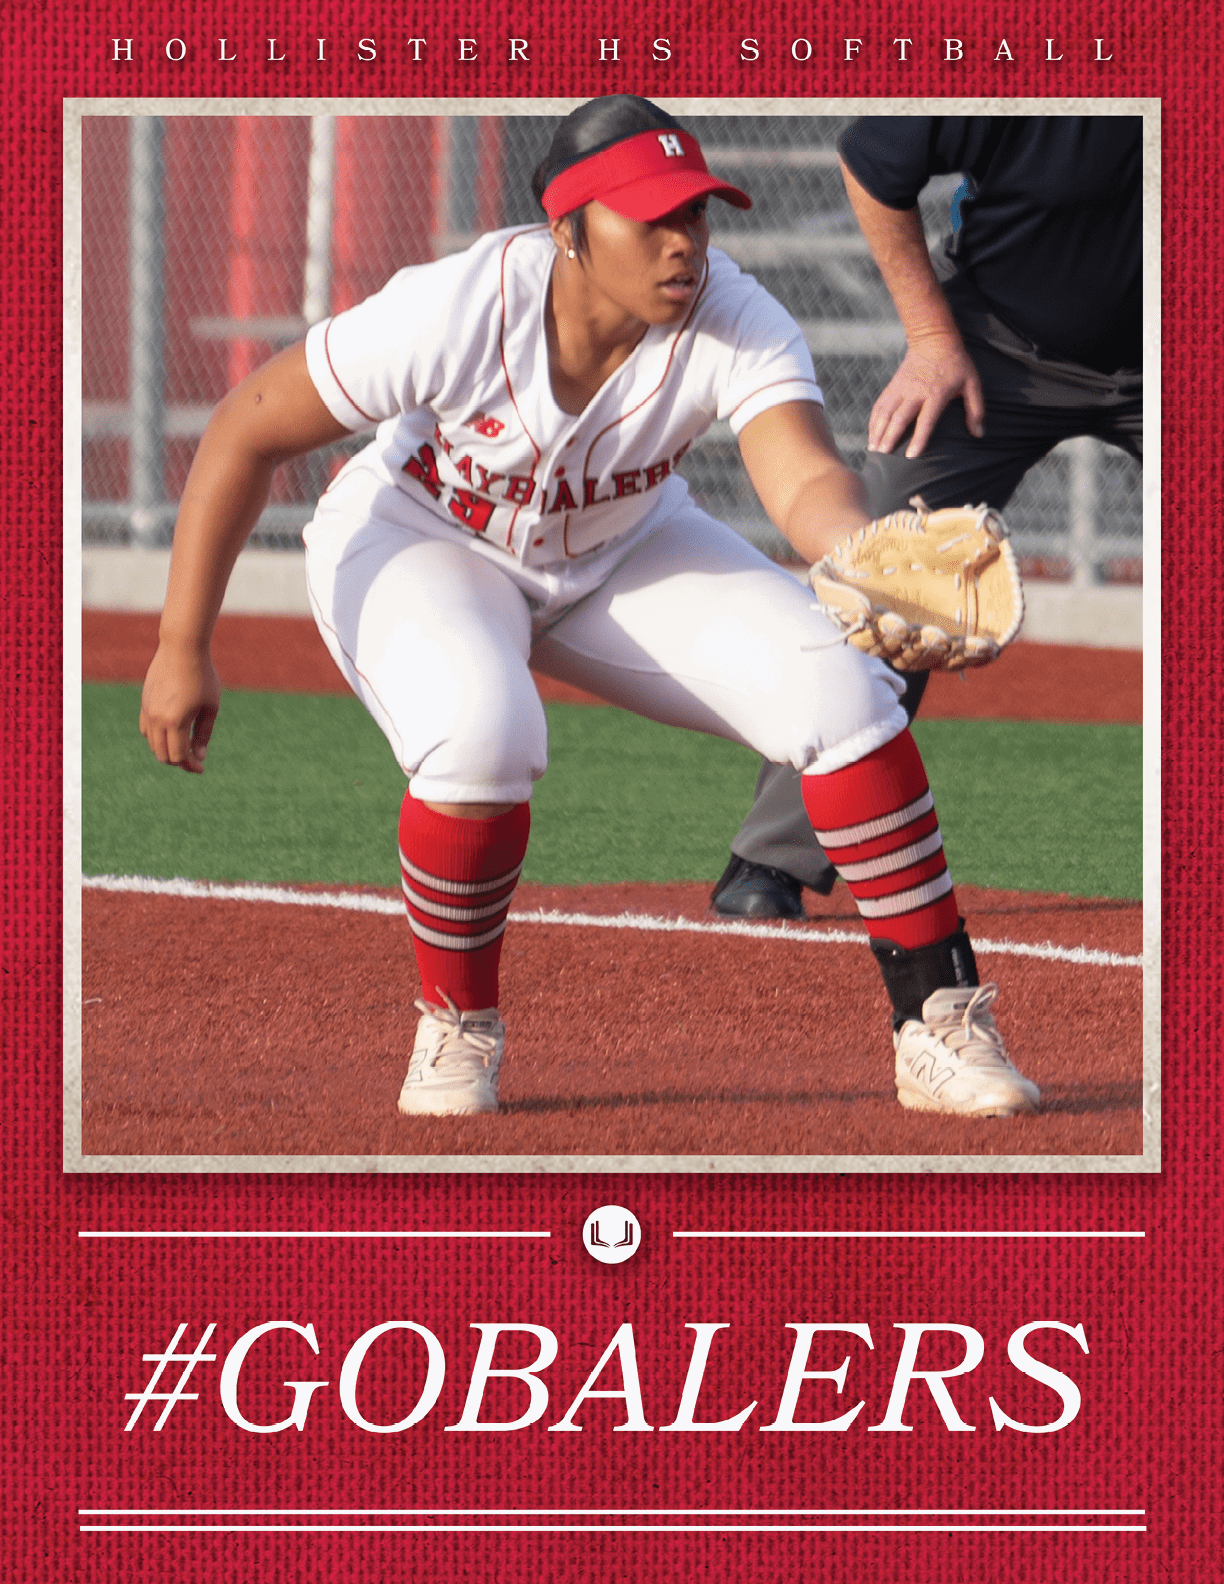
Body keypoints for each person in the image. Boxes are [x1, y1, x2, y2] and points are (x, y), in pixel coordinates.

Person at [138, 96, 1040, 1121]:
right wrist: (181, 644)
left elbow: (800, 482)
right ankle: (456, 1025)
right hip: (420, 541)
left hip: (621, 548)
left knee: (847, 687)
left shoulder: (735, 316)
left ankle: (937, 1025)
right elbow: (241, 431)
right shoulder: (457, 306)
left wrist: (867, 553)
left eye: (695, 215)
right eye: (649, 218)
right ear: (566, 230)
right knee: (484, 735)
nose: (682, 243)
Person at [711, 114, 1142, 919]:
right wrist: (933, 336)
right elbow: (871, 165)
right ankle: (770, 859)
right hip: (997, 349)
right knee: (881, 560)